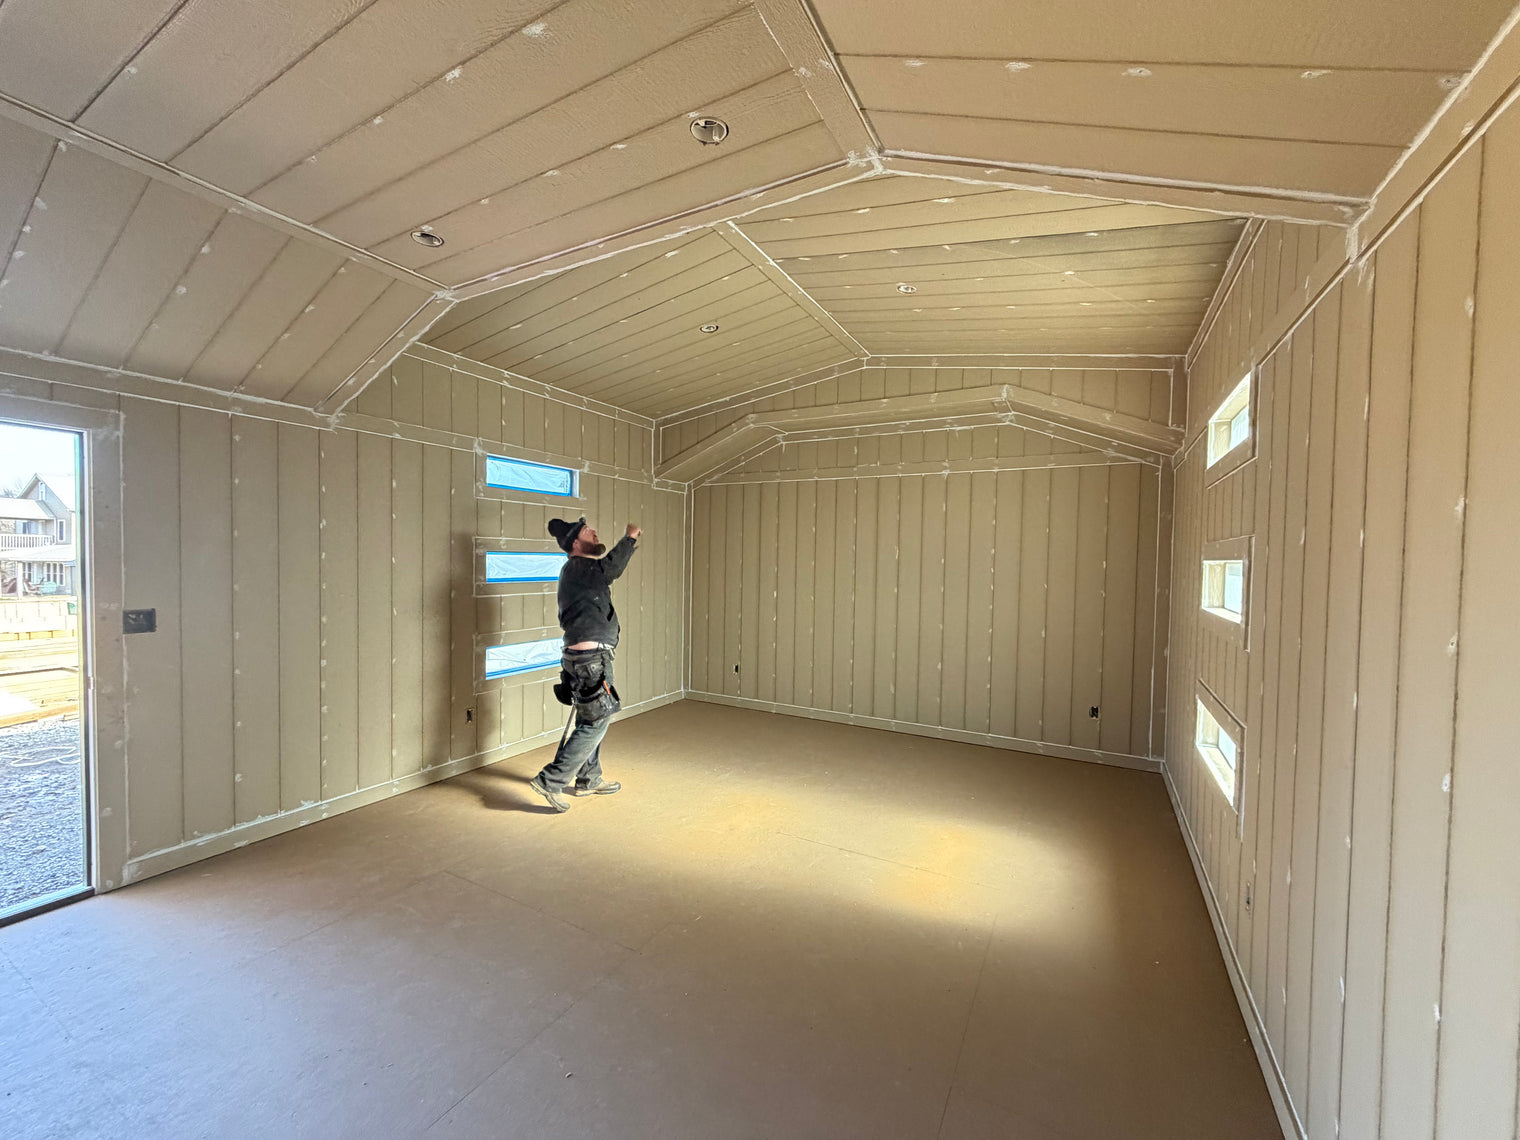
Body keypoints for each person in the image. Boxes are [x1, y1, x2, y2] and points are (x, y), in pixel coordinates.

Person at [529, 516, 641, 812]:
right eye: (588, 532)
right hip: (593, 660)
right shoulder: (581, 566)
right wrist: (629, 538)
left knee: (588, 717)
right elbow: (611, 567)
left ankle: (588, 779)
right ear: (576, 543)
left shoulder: (575, 571)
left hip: (579, 659)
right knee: (597, 720)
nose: (594, 532)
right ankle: (550, 780)